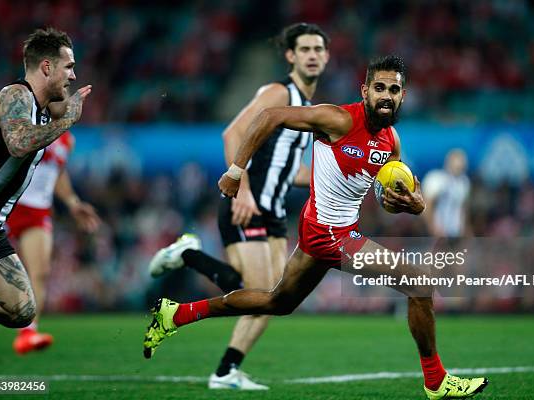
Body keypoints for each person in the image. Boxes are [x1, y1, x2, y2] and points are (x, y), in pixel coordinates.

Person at [143, 55, 488, 399]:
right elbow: (269, 116)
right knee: (419, 283)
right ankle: (436, 381)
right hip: (329, 233)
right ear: (365, 91)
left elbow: (390, 191)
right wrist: (236, 171)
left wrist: (417, 205)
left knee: (277, 301)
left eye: (394, 89)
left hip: (324, 232)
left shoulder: (391, 141)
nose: (386, 95)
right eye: (379, 88)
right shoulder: (336, 118)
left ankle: (176, 315)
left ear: (403, 96)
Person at [147, 23, 330, 390]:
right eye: (305, 49)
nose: (312, 55)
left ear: (326, 57)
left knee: (273, 296)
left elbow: (290, 169)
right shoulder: (279, 92)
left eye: (318, 49)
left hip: (273, 212)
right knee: (262, 295)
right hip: (247, 205)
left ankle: (190, 257)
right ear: (290, 56)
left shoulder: (307, 107)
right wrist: (243, 190)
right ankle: (224, 372)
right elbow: (232, 133)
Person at [0, 28, 91, 330]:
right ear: (46, 67)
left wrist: (72, 201)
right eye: (68, 66)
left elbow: (48, 141)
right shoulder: (15, 95)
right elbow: (18, 142)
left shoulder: (41, 112)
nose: (73, 75)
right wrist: (69, 118)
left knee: (23, 310)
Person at [7, 130, 101, 354]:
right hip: (6, 204)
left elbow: (57, 172)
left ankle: (28, 332)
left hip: (37, 211)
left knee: (40, 271)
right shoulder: (28, 121)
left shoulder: (67, 139)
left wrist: (72, 202)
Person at [422, 149, 470, 238]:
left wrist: (463, 228)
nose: (460, 165)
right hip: (438, 230)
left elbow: (463, 208)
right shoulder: (437, 179)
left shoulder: (464, 182)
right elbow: (427, 205)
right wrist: (432, 227)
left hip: (455, 232)